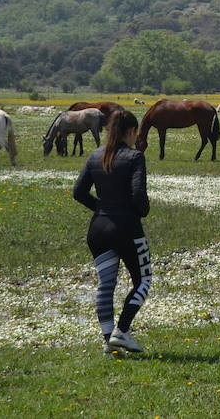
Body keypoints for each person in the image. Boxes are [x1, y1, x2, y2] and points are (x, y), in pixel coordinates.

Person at [72, 109, 153, 354]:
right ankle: (122, 331)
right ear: (130, 132)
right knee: (143, 280)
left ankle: (109, 343)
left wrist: (101, 207)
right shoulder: (134, 156)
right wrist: (141, 211)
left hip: (98, 228)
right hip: (126, 227)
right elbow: (138, 194)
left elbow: (78, 192)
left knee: (106, 286)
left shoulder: (95, 155)